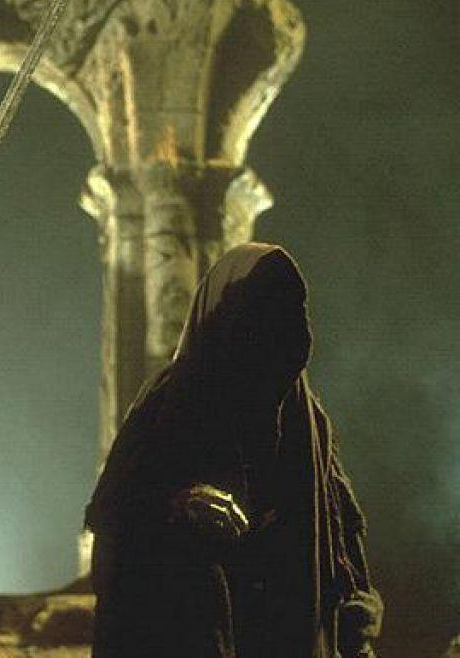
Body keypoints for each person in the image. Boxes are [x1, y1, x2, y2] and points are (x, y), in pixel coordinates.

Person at [86, 243, 383, 658]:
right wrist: (178, 509)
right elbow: (116, 523)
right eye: (258, 308)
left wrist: (357, 623)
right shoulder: (171, 406)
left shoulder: (308, 424)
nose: (272, 327)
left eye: (286, 309)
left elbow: (342, 545)